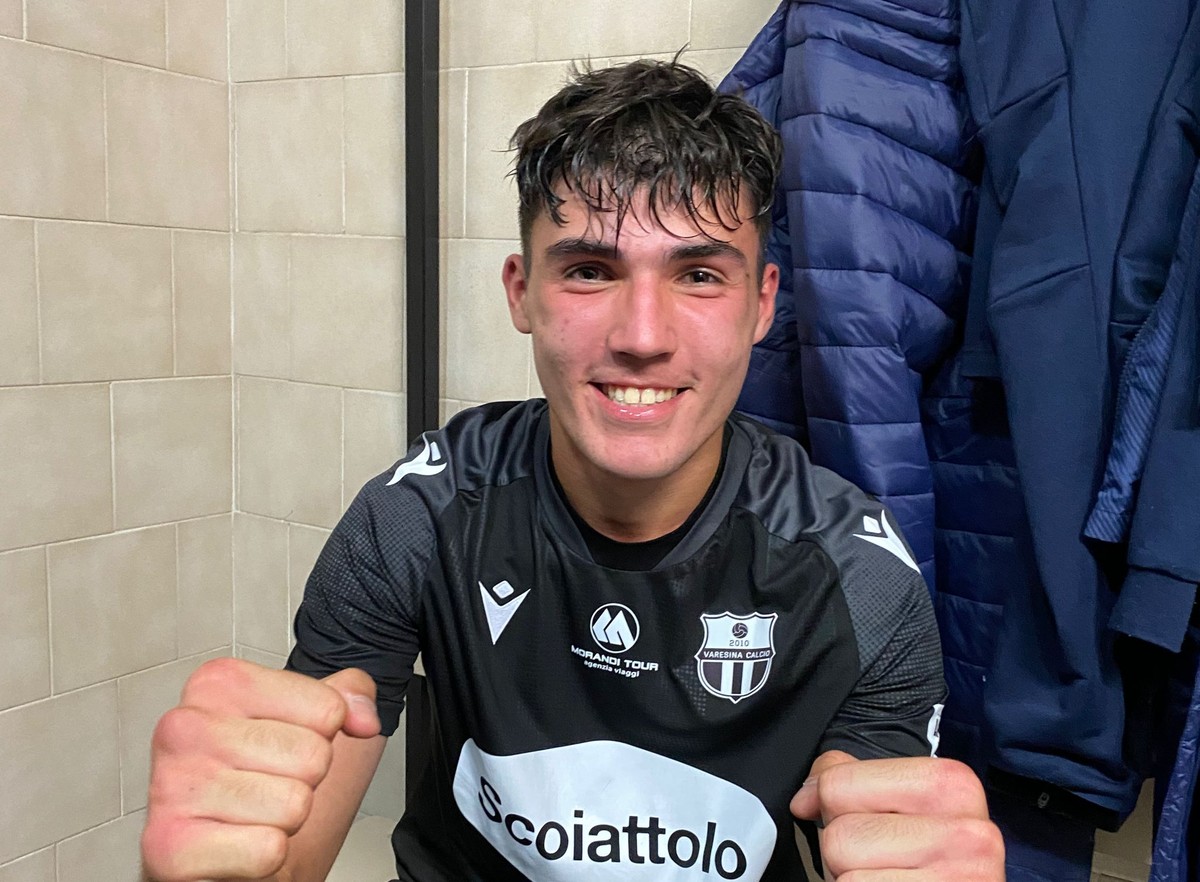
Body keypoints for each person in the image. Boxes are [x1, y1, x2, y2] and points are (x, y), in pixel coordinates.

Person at [141, 59, 1004, 882]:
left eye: (700, 275)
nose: (642, 336)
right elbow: (282, 851)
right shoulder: (420, 516)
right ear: (521, 292)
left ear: (761, 304)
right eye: (591, 270)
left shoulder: (859, 579)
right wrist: (208, 861)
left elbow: (878, 837)